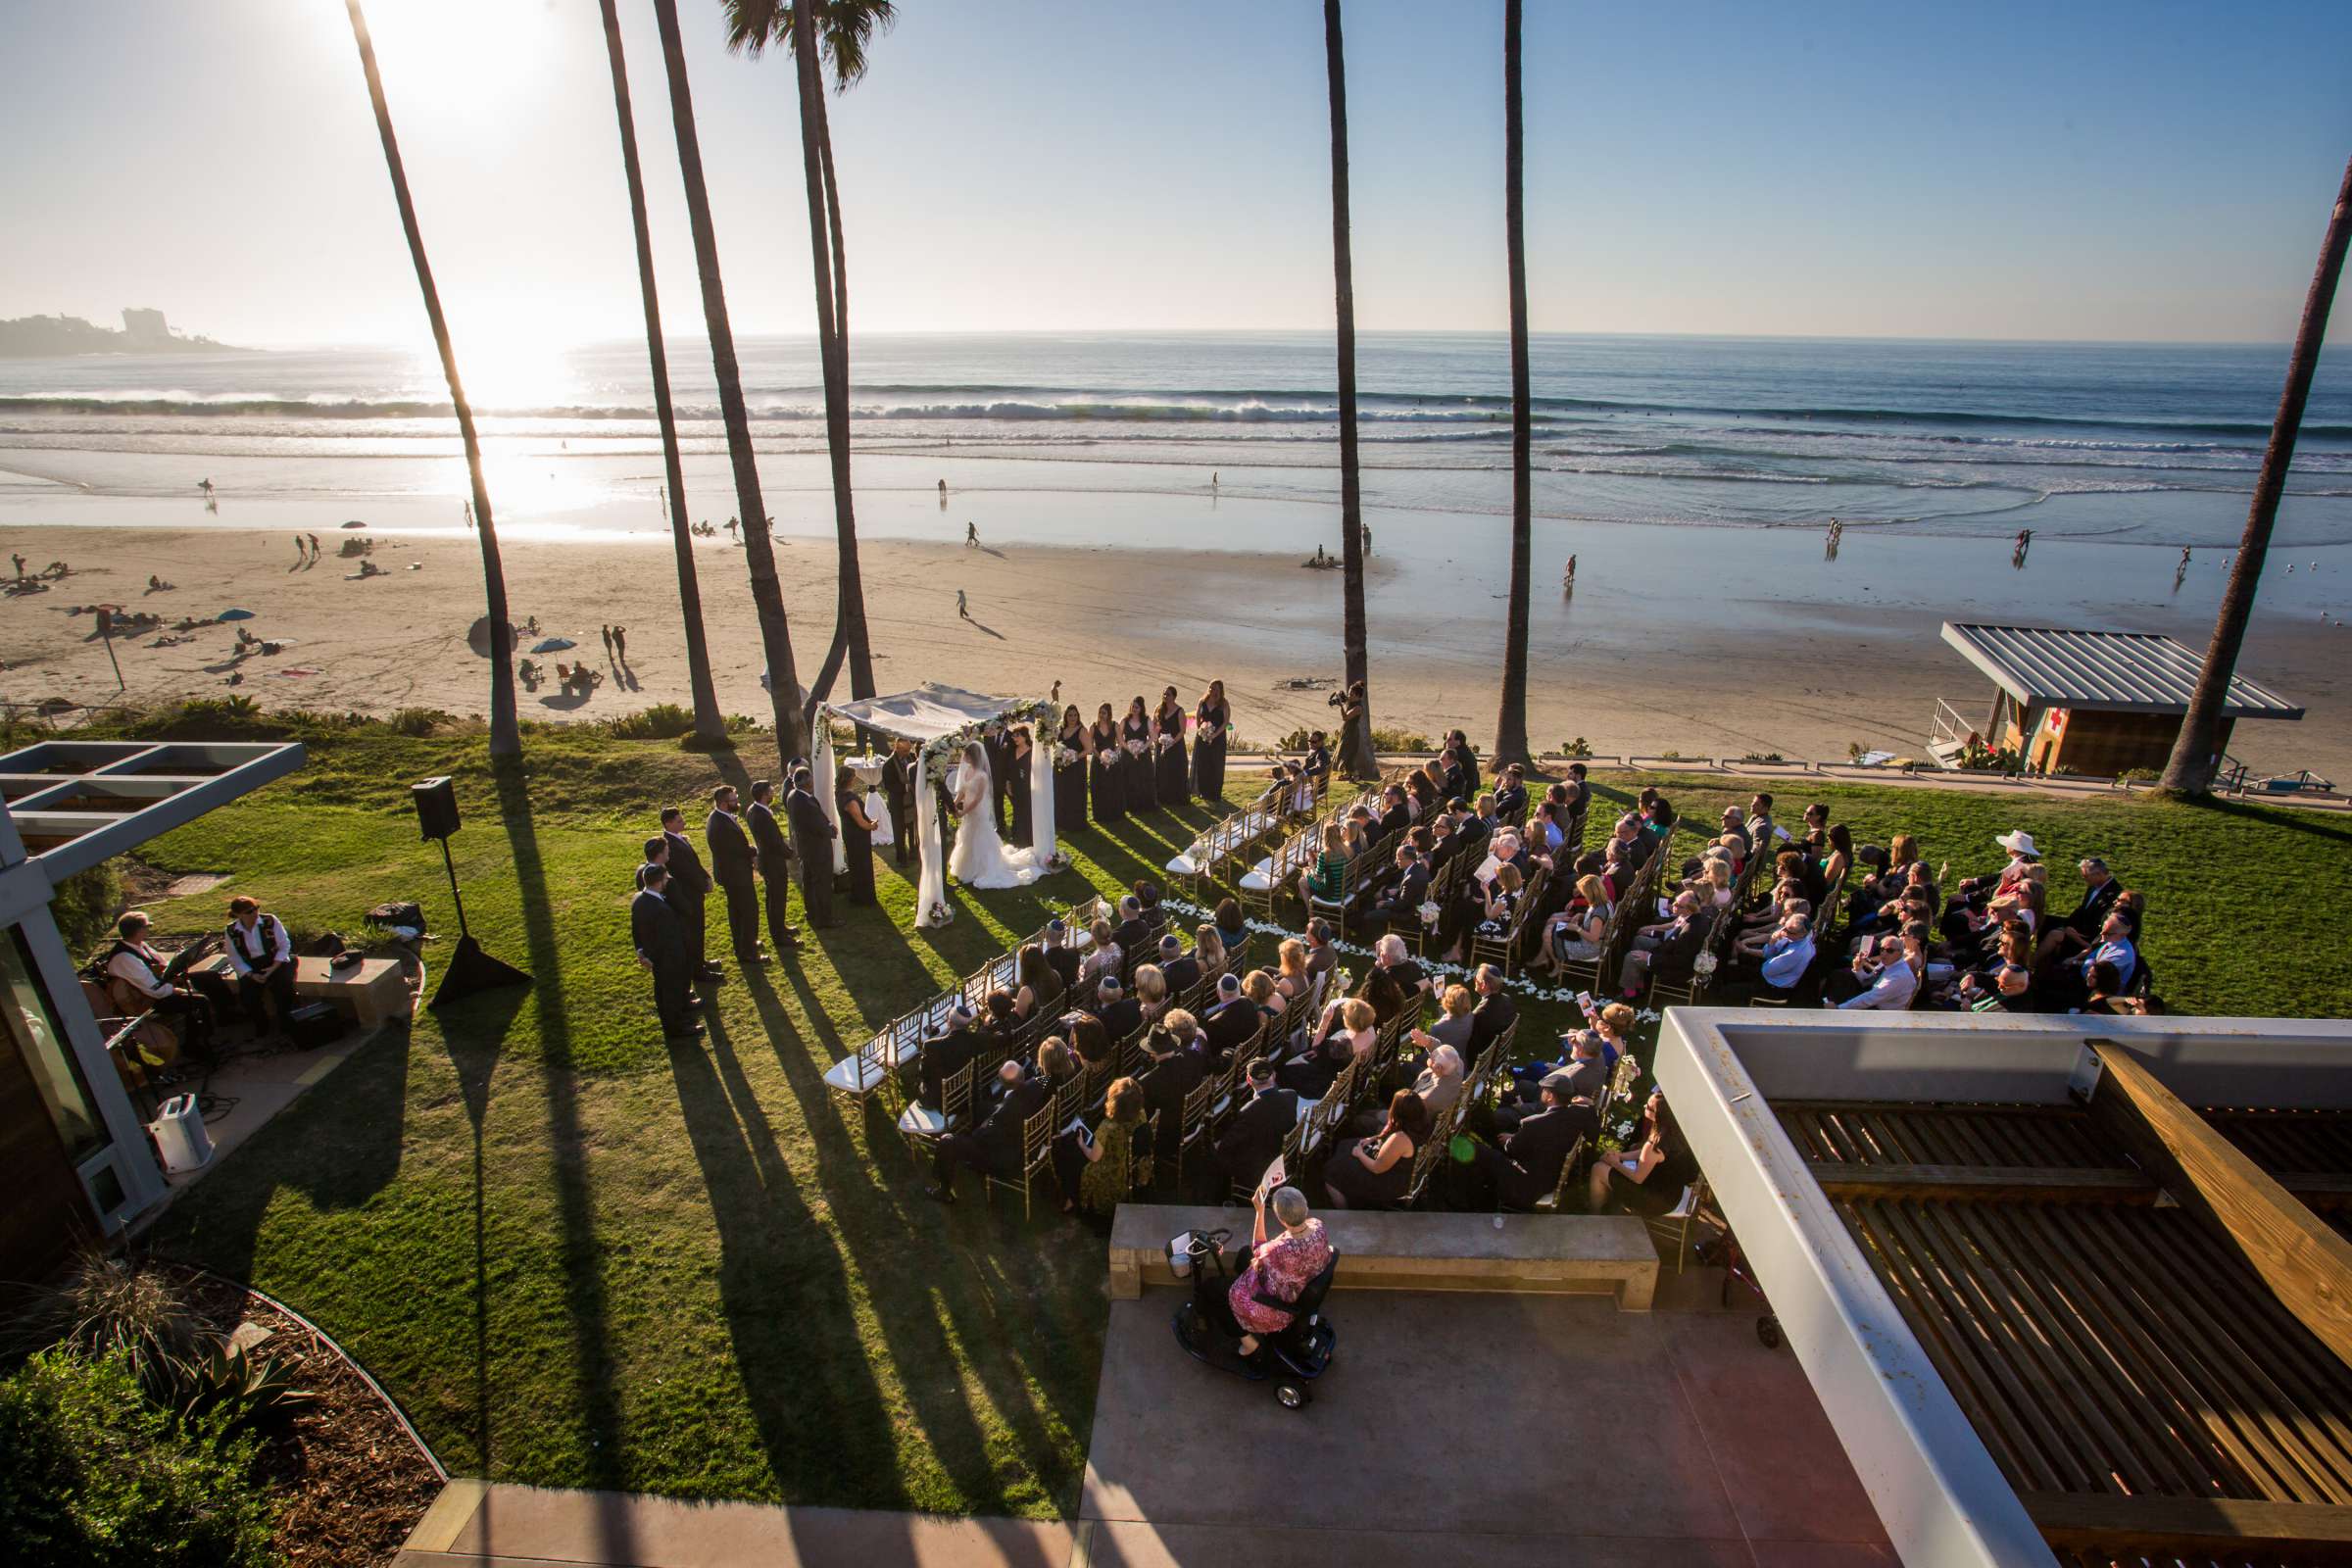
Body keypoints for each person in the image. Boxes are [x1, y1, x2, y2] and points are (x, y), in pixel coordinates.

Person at [1195, 1185, 1333, 1358]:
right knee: (1243, 1255)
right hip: (1299, 1285)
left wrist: (1259, 1212)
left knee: (1213, 1288)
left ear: (1282, 1220)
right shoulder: (1318, 1226)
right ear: (1305, 1207)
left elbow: (1258, 1249)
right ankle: (1238, 1299)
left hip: (1277, 1307)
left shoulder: (1277, 1250)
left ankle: (1249, 1344)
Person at [926, 1060, 1049, 1202]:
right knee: (981, 1108)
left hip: (1005, 1159)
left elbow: (982, 1138)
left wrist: (978, 1132)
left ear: (1003, 1083)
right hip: (1023, 1138)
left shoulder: (1003, 1114)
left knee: (947, 1141)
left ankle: (944, 1191)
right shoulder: (1036, 1084)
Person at [105, 910, 218, 1058]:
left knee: (210, 978)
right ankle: (194, 1046)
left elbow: (163, 966)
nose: (149, 929)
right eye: (147, 926)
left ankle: (225, 1019)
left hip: (160, 986)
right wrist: (176, 989)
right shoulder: (124, 958)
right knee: (198, 1001)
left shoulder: (140, 945)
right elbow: (153, 989)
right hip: (148, 1001)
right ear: (138, 930)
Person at [1475, 1072, 1597, 1208]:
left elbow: (1510, 1150)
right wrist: (1591, 1104)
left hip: (1525, 1186)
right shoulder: (1580, 1114)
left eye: (1544, 1090)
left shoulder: (1533, 1124)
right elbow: (1592, 1126)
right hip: (1550, 1176)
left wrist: (1512, 1139)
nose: (1542, 1092)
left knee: (1479, 1151)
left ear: (1550, 1096)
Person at [946, 740, 1042, 888]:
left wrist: (963, 811)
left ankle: (982, 867)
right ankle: (967, 866)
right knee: (967, 836)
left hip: (978, 810)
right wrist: (954, 805)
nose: (963, 757)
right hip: (968, 810)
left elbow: (977, 799)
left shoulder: (982, 776)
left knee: (980, 836)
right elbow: (963, 791)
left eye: (966, 754)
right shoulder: (967, 771)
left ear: (972, 756)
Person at [1592, 1092, 1698, 1217]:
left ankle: (1595, 1214)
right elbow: (1645, 1155)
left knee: (1598, 1168)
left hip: (1655, 1202)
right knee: (1616, 1161)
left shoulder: (1654, 1145)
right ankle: (1608, 1198)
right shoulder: (1677, 1135)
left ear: (1658, 1115)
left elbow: (1637, 1178)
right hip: (1673, 1194)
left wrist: (1615, 1163)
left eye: (1648, 1107)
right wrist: (1620, 1156)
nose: (1644, 1107)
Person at [1325, 1090, 1428, 1209]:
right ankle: (1350, 1189)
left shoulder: (1401, 1139)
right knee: (1345, 1144)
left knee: (1331, 1172)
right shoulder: (1421, 1124)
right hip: (1396, 1167)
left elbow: (1377, 1168)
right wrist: (1374, 1138)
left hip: (1389, 1181)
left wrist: (1359, 1154)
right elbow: (1390, 1138)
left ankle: (1344, 1211)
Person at [631, 866, 701, 1043]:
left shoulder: (638, 900)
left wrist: (642, 953)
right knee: (671, 993)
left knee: (663, 992)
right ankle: (676, 1027)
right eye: (665, 879)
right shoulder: (661, 909)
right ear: (658, 882)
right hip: (668, 958)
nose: (667, 881)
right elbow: (666, 938)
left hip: (655, 958)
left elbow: (637, 930)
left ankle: (673, 1023)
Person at [1058, 1075, 1144, 1217]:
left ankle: (1073, 1198)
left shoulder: (1107, 1128)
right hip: (1128, 1159)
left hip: (1106, 1171)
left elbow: (1094, 1157)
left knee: (1072, 1157)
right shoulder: (1141, 1115)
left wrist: (1081, 1145)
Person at [1216, 1056, 1299, 1192]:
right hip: (1285, 1161)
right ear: (1273, 1075)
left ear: (1249, 1080)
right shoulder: (1291, 1095)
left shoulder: (1249, 1111)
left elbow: (1227, 1145)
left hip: (1260, 1169)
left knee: (1218, 1154)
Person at [221, 895, 296, 1042]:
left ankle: (286, 1023)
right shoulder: (231, 931)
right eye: (249, 912)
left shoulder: (270, 921)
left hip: (276, 961)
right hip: (252, 966)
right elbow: (234, 957)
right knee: (248, 997)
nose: (254, 913)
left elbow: (284, 944)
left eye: (256, 908)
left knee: (283, 989)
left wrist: (273, 967)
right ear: (238, 914)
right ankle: (261, 1024)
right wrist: (250, 974)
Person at [706, 786, 766, 964]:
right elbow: (736, 849)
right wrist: (754, 851)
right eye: (733, 800)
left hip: (732, 874)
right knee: (748, 912)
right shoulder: (721, 824)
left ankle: (744, 944)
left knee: (738, 912)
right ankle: (748, 951)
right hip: (736, 875)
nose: (737, 802)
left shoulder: (718, 818)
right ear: (724, 803)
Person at [659, 807, 719, 982]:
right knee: (692, 932)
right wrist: (702, 885)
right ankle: (697, 970)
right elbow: (684, 871)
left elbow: (694, 863)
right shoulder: (669, 843)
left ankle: (700, 961)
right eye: (679, 820)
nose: (683, 822)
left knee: (698, 929)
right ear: (668, 824)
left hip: (694, 892)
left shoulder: (678, 839)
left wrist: (706, 877)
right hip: (687, 894)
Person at [742, 780, 801, 951]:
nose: (773, 792)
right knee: (777, 898)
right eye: (770, 791)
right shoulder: (761, 816)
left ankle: (779, 927)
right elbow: (774, 842)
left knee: (774, 897)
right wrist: (789, 853)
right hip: (773, 862)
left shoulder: (753, 810)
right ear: (764, 795)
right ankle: (779, 935)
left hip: (768, 860)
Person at [782, 767, 838, 929]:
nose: (813, 781)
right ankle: (825, 918)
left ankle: (812, 912)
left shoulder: (795, 796)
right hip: (816, 849)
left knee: (809, 881)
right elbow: (815, 823)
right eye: (811, 778)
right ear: (807, 781)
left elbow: (818, 815)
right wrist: (830, 830)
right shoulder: (803, 801)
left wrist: (827, 824)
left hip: (806, 848)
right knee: (822, 883)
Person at [880, 736, 918, 868]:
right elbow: (888, 786)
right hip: (897, 802)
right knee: (899, 831)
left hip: (911, 800)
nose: (908, 753)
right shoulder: (889, 765)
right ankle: (901, 858)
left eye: (909, 749)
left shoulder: (912, 757)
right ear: (897, 748)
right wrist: (906, 786)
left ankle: (914, 852)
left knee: (913, 827)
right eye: (905, 750)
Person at [1052, 705, 1089, 830]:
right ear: (1066, 717)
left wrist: (1075, 757)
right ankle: (1061, 820)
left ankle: (1075, 822)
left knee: (1074, 794)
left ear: (1078, 716)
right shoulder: (1060, 730)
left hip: (1076, 768)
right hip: (1061, 768)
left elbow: (1088, 749)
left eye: (1075, 715)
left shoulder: (1082, 730)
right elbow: (1054, 745)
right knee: (1061, 793)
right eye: (1070, 715)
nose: (1072, 718)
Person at [1152, 686, 1190, 806]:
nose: (1165, 697)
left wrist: (1171, 742)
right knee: (1161, 770)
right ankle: (1161, 797)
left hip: (1176, 746)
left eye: (1168, 694)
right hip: (1161, 744)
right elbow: (1155, 726)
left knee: (1174, 771)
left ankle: (1175, 798)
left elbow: (1182, 730)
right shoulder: (1159, 709)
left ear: (1174, 696)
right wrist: (1157, 739)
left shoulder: (1180, 711)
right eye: (1164, 694)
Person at [1194, 679, 1230, 802]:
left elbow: (1225, 722)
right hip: (1203, 737)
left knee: (1216, 765)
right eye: (1210, 687)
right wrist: (1201, 730)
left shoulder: (1224, 703)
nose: (1211, 690)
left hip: (1218, 738)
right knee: (1203, 764)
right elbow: (1197, 717)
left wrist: (1214, 735)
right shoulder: (1202, 701)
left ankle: (1214, 793)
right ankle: (1203, 791)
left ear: (1220, 690)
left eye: (1214, 688)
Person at [1006, 727, 1035, 848]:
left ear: (1025, 736)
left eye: (1017, 735)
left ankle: (1029, 839)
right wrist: (1008, 785)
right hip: (1015, 787)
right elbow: (1008, 770)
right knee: (1017, 812)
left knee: (1027, 813)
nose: (1014, 738)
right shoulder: (1012, 750)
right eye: (1013, 736)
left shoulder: (1032, 751)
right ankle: (1018, 838)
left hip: (1028, 788)